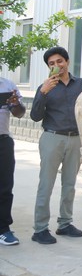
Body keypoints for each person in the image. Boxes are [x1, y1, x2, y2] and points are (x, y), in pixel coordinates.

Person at [29, 46, 82, 244]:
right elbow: (35, 116)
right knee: (46, 184)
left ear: (67, 61)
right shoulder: (45, 87)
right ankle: (40, 229)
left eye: (59, 61)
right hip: (52, 138)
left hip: (76, 138)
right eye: (52, 64)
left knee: (70, 184)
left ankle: (65, 223)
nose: (57, 66)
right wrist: (43, 93)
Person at [0, 77, 26, 246]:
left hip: (3, 141)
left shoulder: (7, 85)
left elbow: (20, 113)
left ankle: (3, 229)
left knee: (5, 186)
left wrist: (15, 103)